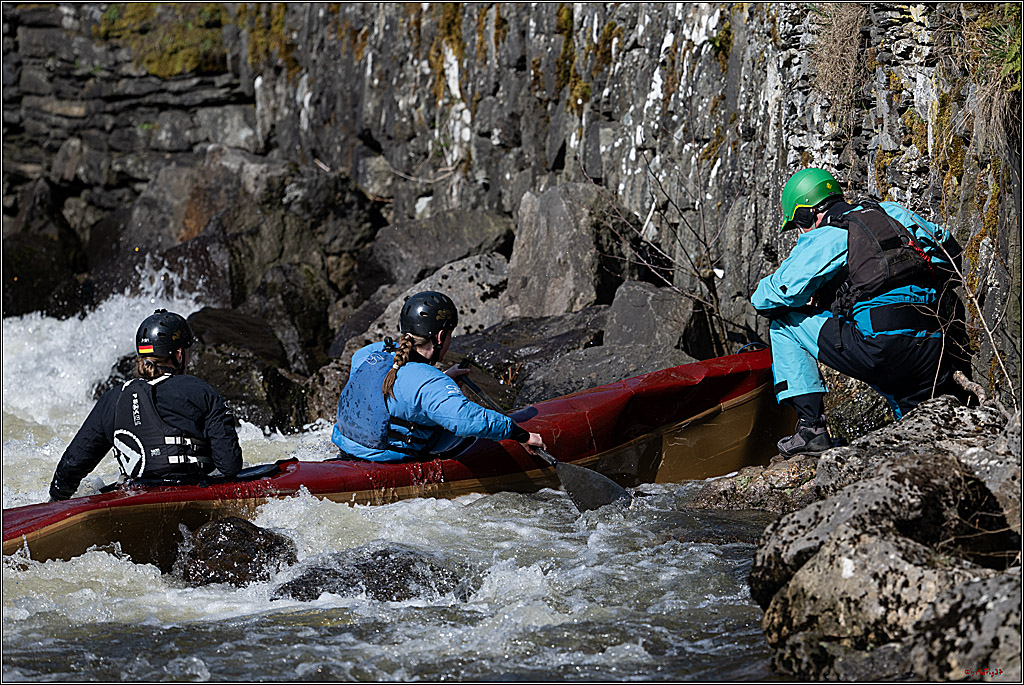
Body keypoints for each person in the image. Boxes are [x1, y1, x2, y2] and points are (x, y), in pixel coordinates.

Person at [751, 168, 966, 456]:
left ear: (806, 215)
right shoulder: (890, 212)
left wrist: (808, 301)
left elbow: (768, 297)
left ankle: (810, 429)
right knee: (920, 435)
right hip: (932, 346)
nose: (800, 234)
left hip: (882, 350)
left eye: (798, 225)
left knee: (783, 321)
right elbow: (948, 248)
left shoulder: (829, 234)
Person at [49, 309, 243, 500]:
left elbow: (72, 465)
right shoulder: (200, 390)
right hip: (189, 496)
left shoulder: (112, 398)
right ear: (179, 354)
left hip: (133, 498)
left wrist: (55, 501)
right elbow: (229, 466)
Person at [332, 291, 546, 461]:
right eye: (450, 334)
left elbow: (396, 389)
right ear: (441, 336)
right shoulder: (428, 382)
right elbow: (464, 421)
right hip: (386, 458)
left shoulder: (367, 355)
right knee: (477, 430)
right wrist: (521, 435)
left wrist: (443, 381)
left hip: (351, 447)